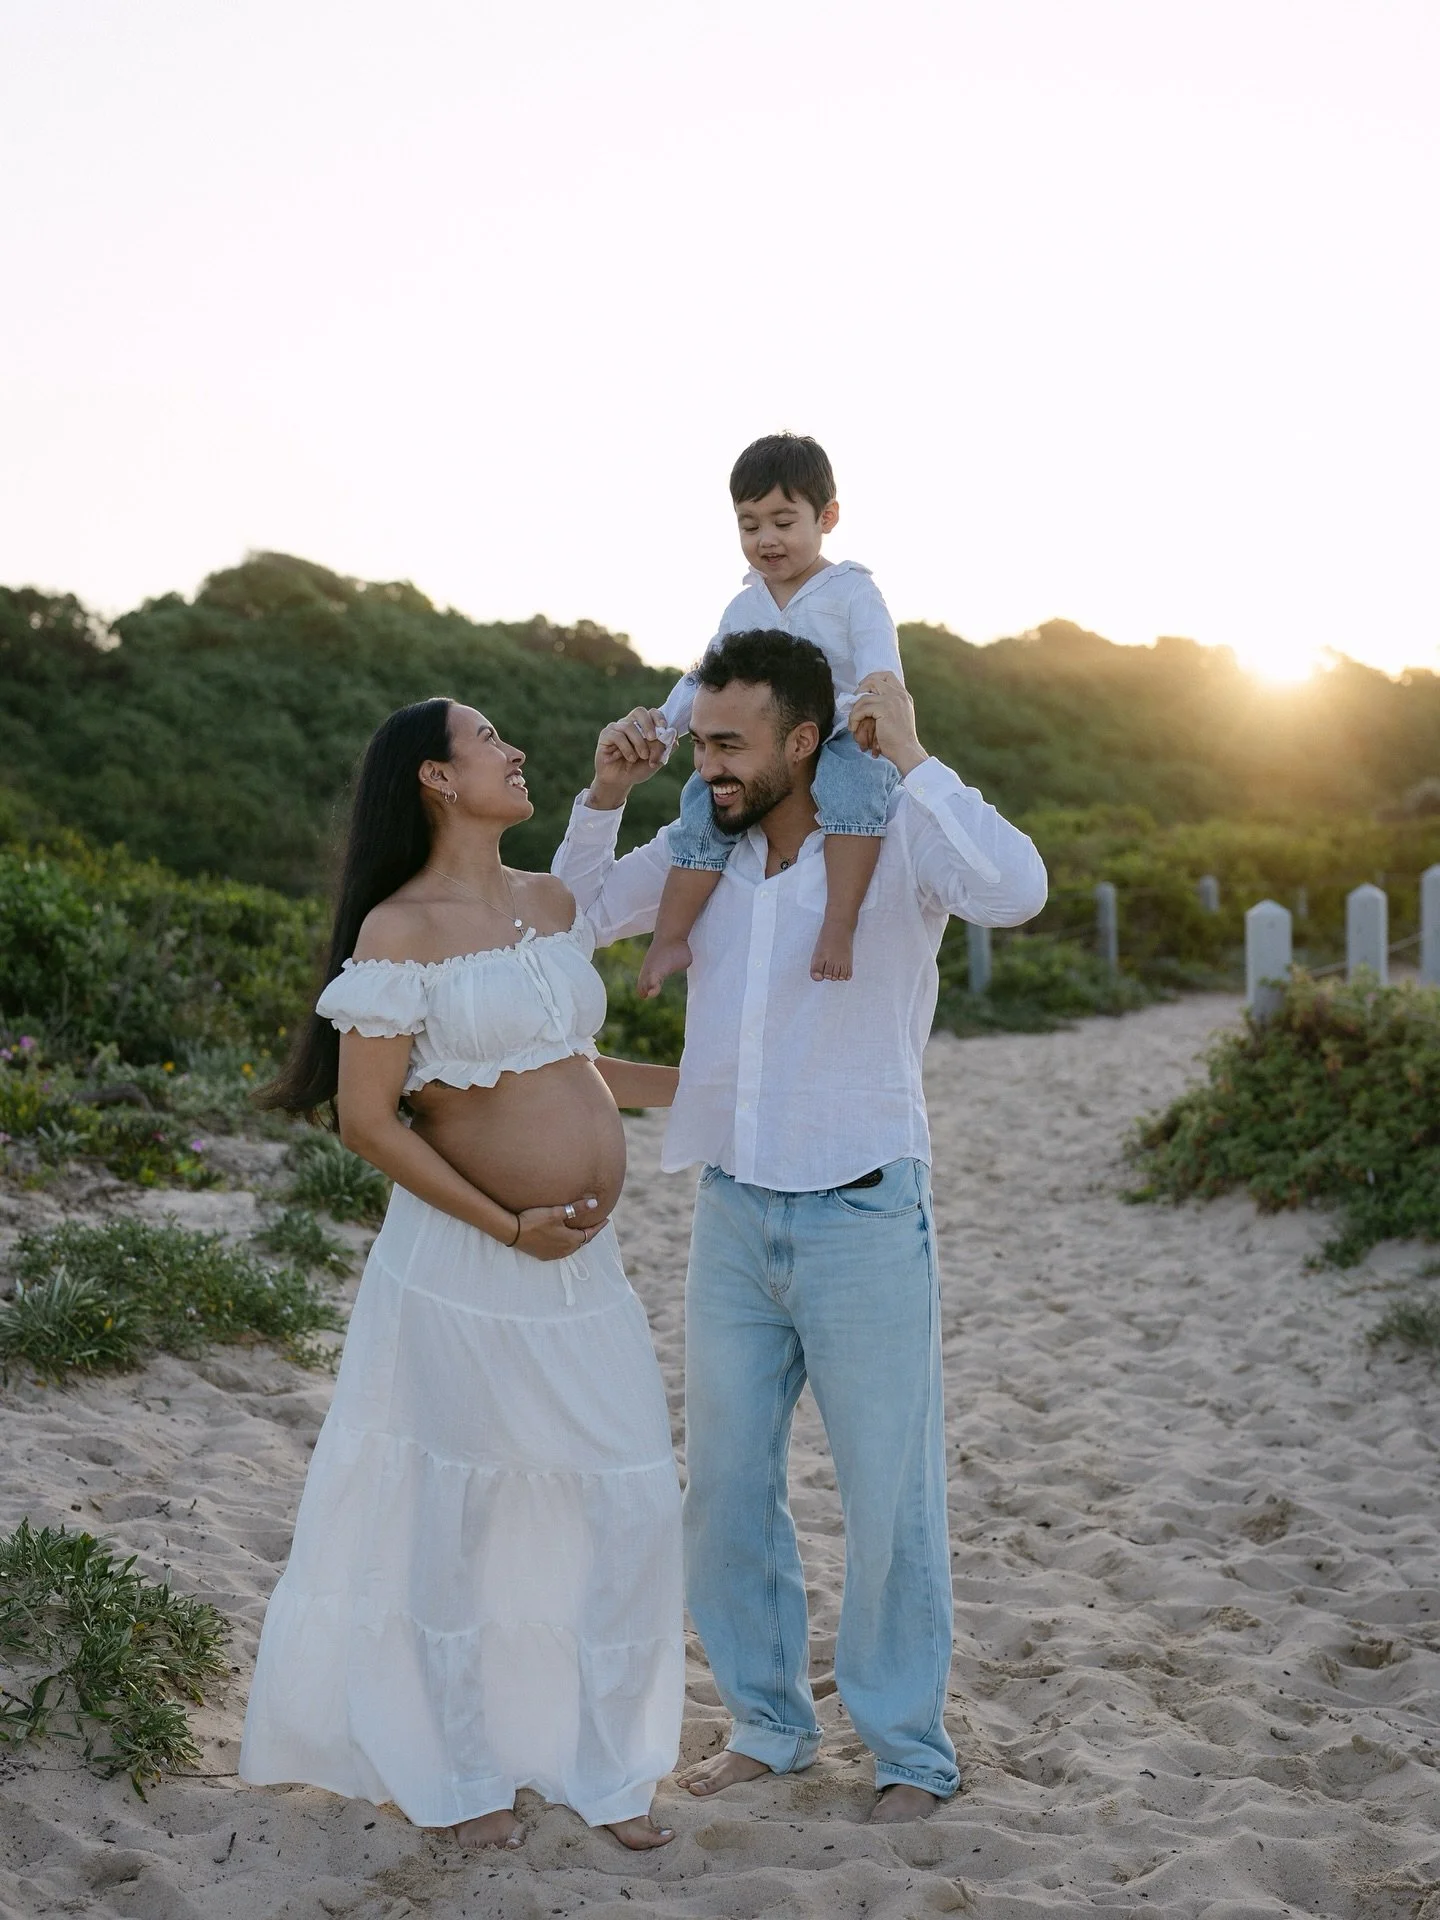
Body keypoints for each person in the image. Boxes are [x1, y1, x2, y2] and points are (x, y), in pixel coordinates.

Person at [553, 632, 1047, 1823]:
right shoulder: (697, 850)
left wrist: (920, 756)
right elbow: (569, 920)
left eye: (730, 744)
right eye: (702, 739)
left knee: (888, 1495)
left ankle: (909, 1751)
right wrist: (604, 797)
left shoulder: (895, 840)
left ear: (804, 739)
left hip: (868, 1209)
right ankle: (769, 1725)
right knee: (723, 1489)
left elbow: (1019, 891)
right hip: (731, 1208)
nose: (708, 763)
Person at [239, 697, 684, 1854]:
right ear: (435, 779)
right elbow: (366, 1119)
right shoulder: (399, 930)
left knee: (625, 1498)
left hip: (584, 1276)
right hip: (464, 1267)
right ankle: (459, 1770)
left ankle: (608, 1769)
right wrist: (503, 1220)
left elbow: (575, 1069)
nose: (513, 750)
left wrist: (722, 1084)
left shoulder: (547, 905)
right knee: (458, 1514)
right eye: (488, 739)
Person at [636, 431, 905, 997]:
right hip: (758, 745)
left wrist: (882, 710)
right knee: (698, 807)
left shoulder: (852, 590)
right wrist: (665, 724)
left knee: (853, 789)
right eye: (749, 524)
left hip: (838, 731)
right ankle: (670, 935)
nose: (766, 540)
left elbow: (880, 660)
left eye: (784, 523)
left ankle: (838, 923)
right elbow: (707, 677)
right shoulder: (745, 604)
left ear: (826, 516)